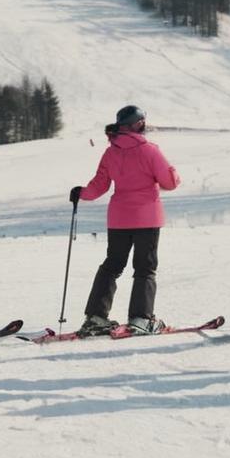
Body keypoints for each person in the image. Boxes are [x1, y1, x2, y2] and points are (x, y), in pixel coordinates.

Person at [69, 105, 180, 336]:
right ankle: (141, 318)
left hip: (119, 219)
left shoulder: (111, 151)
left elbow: (99, 185)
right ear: (139, 124)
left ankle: (96, 317)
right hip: (147, 218)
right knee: (145, 268)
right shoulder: (150, 150)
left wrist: (80, 192)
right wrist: (173, 172)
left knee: (112, 265)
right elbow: (169, 182)